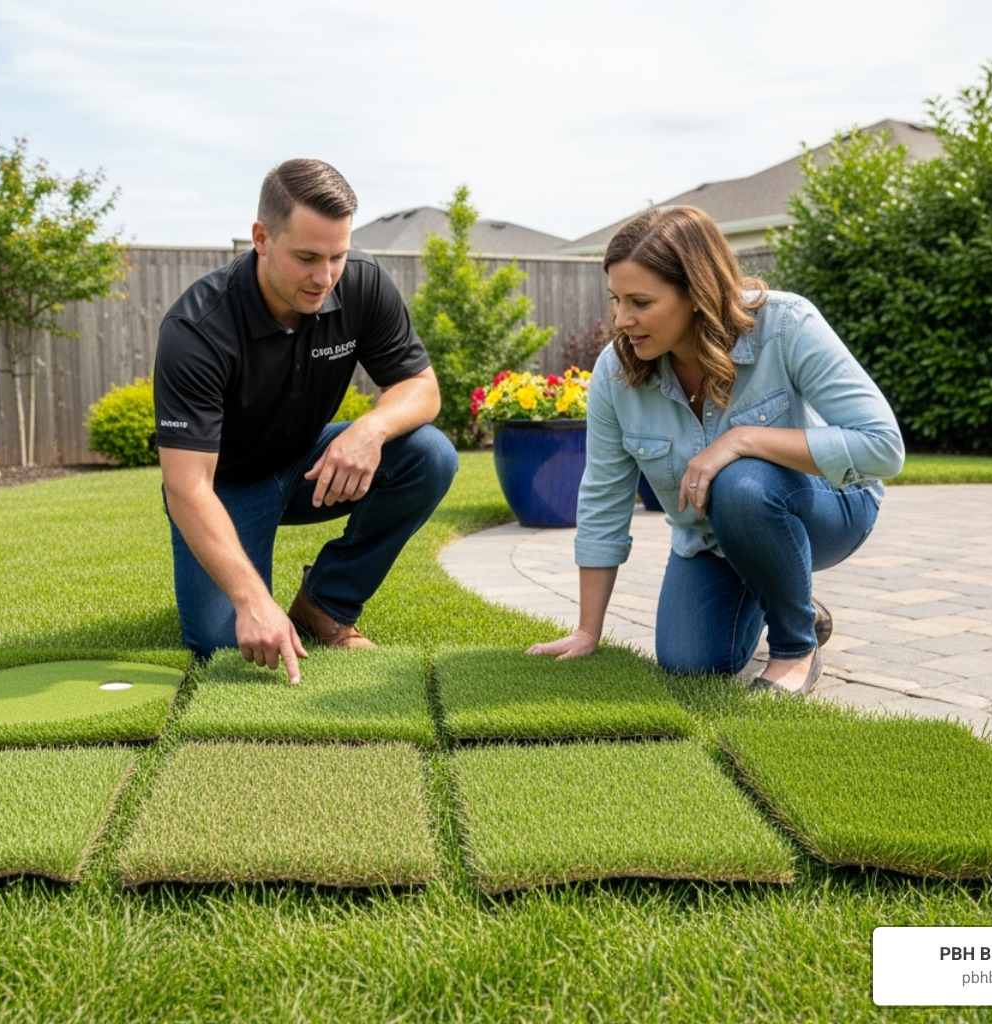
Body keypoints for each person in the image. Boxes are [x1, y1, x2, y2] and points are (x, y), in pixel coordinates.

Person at [528, 206, 904, 694]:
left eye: (640, 302)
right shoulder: (615, 372)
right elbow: (603, 495)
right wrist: (587, 629)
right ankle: (791, 596)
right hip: (711, 538)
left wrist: (742, 439)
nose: (622, 320)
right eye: (616, 300)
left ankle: (795, 648)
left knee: (742, 482)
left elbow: (882, 448)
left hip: (827, 507)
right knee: (691, 663)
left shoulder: (786, 325)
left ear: (698, 294)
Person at [154, 158, 457, 683]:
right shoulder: (197, 328)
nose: (325, 277)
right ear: (262, 237)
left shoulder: (362, 285)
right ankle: (254, 594)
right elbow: (185, 487)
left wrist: (370, 429)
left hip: (308, 465)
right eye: (307, 257)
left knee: (430, 455)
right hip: (224, 485)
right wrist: (252, 600)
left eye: (337, 255)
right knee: (227, 649)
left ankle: (325, 602)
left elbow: (422, 388)